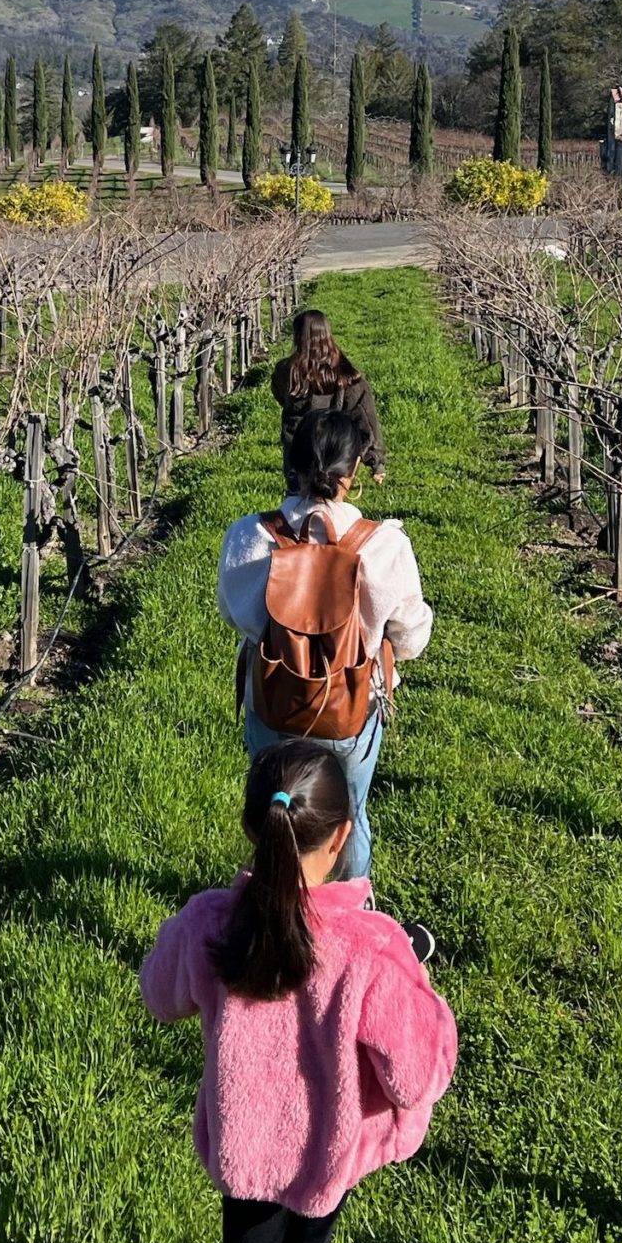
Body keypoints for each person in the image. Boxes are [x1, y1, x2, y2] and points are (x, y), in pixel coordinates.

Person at [140, 740, 458, 1243]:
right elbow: (419, 1069)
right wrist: (419, 973)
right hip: (324, 1156)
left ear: (254, 828)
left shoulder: (213, 923)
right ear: (344, 837)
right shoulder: (371, 947)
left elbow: (158, 994)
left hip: (246, 1151)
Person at [216, 407, 432, 884]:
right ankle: (351, 907)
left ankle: (272, 896)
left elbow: (235, 614)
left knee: (281, 806)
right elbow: (412, 636)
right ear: (352, 472)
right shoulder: (383, 545)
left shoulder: (249, 536)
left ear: (291, 463)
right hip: (351, 708)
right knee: (348, 812)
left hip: (272, 701)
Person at [272, 308, 386, 488]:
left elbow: (280, 397)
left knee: (297, 506)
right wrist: (376, 462)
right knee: (333, 503)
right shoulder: (348, 376)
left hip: (298, 455)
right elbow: (365, 418)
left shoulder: (285, 371)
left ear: (298, 337)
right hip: (337, 452)